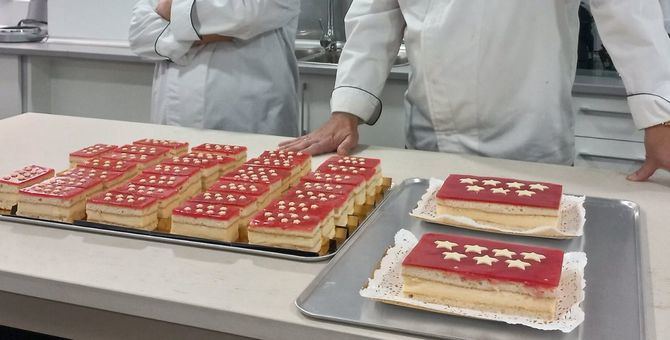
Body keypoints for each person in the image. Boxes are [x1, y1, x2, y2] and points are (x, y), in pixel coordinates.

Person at [279, 0, 670, 181]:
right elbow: (376, 16)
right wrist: (346, 109)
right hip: (432, 147)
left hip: (532, 147)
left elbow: (628, 9)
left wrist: (660, 115)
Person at [129, 0, 300, 136]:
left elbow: (247, 15)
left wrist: (172, 11)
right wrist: (214, 32)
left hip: (248, 122)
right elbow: (139, 34)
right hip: (173, 119)